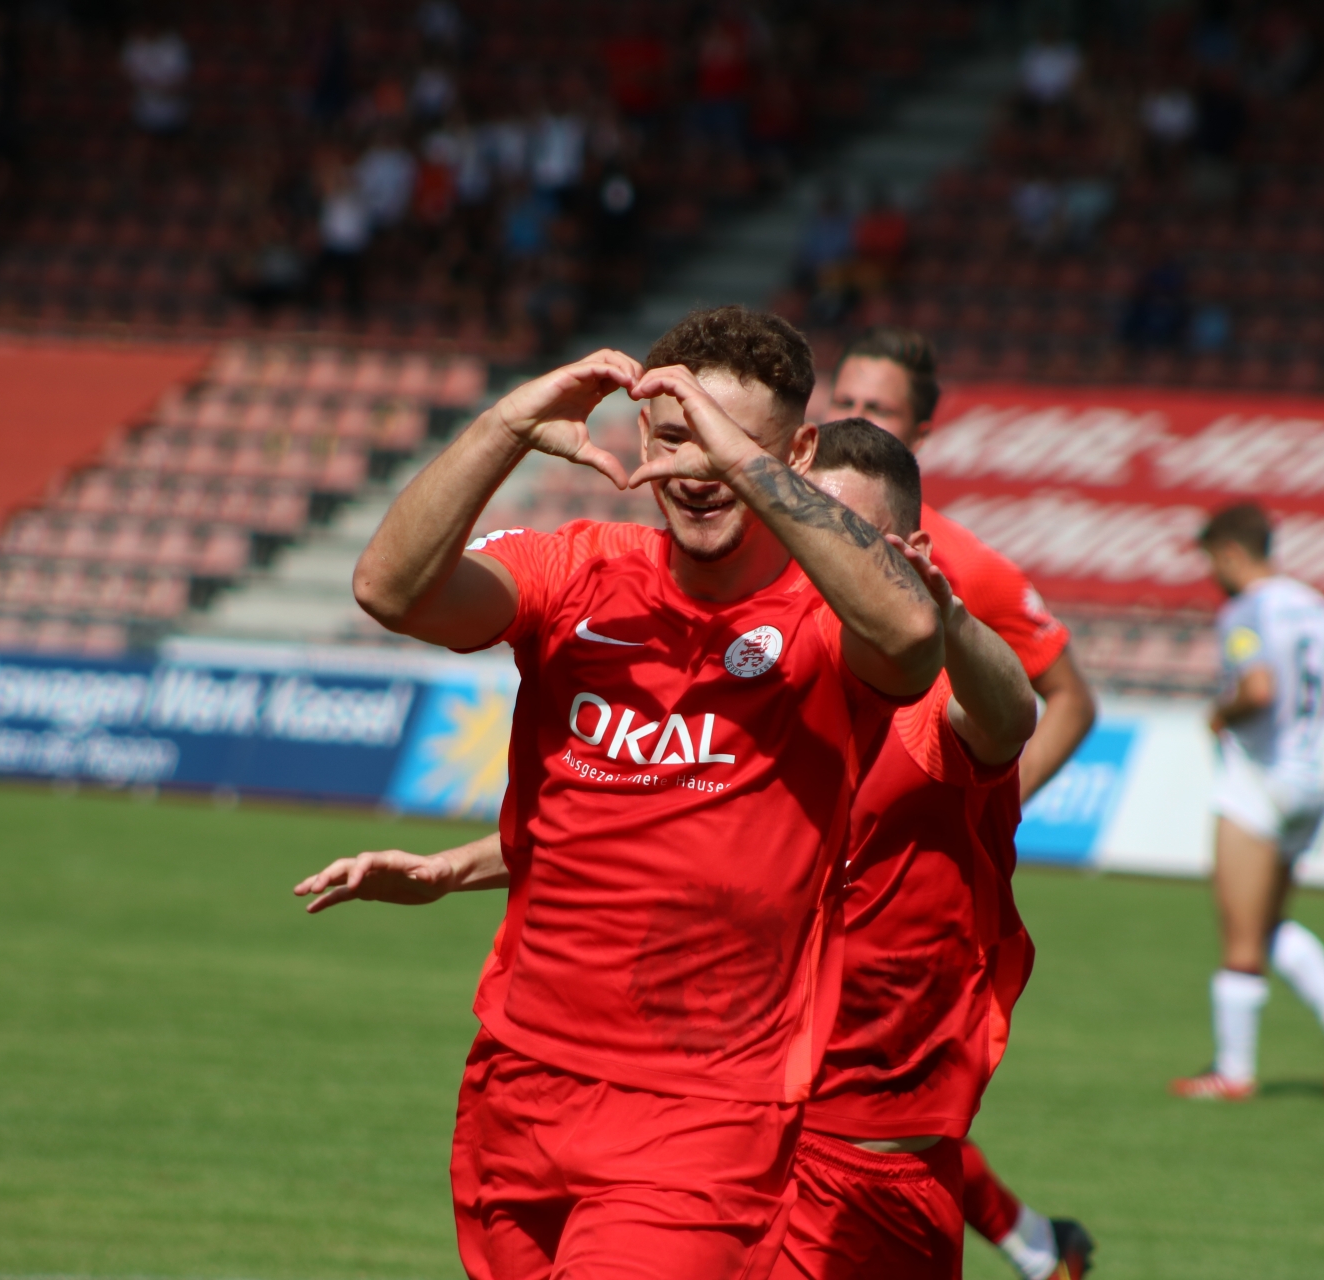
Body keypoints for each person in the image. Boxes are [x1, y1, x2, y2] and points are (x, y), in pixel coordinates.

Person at [300, 419, 1045, 1280]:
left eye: (852, 537)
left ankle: (1037, 1241)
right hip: (720, 1110)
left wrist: (945, 616)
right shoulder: (770, 674)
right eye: (802, 524)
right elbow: (653, 826)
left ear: (909, 553)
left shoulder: (929, 702)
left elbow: (1009, 717)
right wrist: (451, 869)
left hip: (856, 1152)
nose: (825, 557)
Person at [827, 327, 1097, 1280]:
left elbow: (1068, 699)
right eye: (844, 399)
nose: (855, 417)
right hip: (798, 859)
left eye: (880, 408)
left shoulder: (961, 564)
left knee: (864, 1107)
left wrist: (987, 806)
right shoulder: (789, 525)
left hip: (892, 886)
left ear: (922, 431)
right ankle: (1034, 1241)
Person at [1173, 501, 1324, 1102]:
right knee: (1265, 923)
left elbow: (1258, 687)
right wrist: (1311, 713)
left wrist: (1219, 713)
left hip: (1259, 779)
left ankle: (1233, 1071)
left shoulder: (1246, 610)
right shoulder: (1320, 608)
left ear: (1231, 552)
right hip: (1310, 780)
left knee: (1240, 934)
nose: (1211, 573)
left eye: (1212, 560)